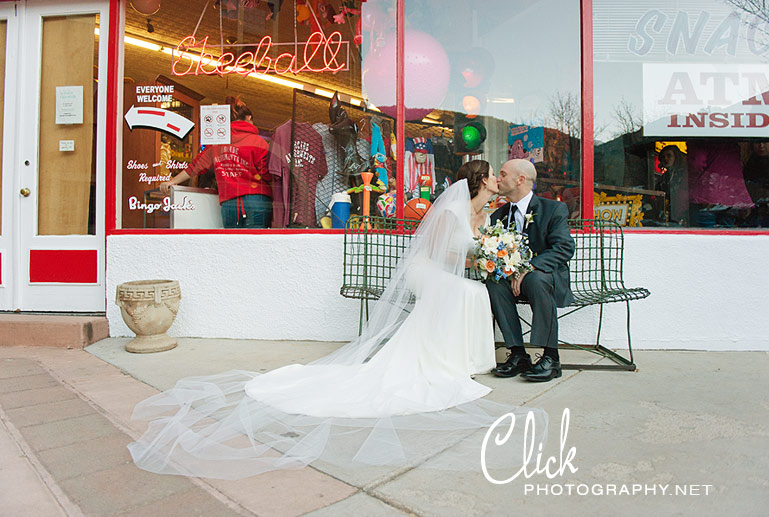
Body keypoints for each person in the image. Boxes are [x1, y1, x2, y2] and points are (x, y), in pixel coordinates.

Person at [128, 162, 545, 479]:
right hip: (427, 269)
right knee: (466, 291)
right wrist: (478, 255)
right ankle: (447, 359)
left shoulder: (487, 214)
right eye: (493, 175)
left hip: (449, 271)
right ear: (479, 180)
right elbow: (438, 253)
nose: (497, 179)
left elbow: (479, 248)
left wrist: (486, 252)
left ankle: (469, 358)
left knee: (472, 292)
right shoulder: (452, 212)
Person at [486, 159, 575, 382]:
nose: (498, 178)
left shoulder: (553, 209)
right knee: (493, 282)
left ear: (520, 180)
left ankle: (551, 358)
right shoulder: (499, 216)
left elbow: (564, 248)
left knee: (535, 279)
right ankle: (518, 354)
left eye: (503, 174)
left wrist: (529, 267)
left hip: (545, 277)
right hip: (513, 280)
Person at [159, 97, 271, 228]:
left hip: (229, 202)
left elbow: (197, 165)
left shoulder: (217, 143)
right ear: (248, 117)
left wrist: (173, 181)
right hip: (257, 200)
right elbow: (266, 173)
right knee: (257, 244)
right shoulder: (259, 142)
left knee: (233, 245)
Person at [656, 145, 689, 226]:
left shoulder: (684, 173)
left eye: (669, 156)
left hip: (681, 211)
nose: (665, 159)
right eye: (663, 157)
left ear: (676, 157)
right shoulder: (665, 176)